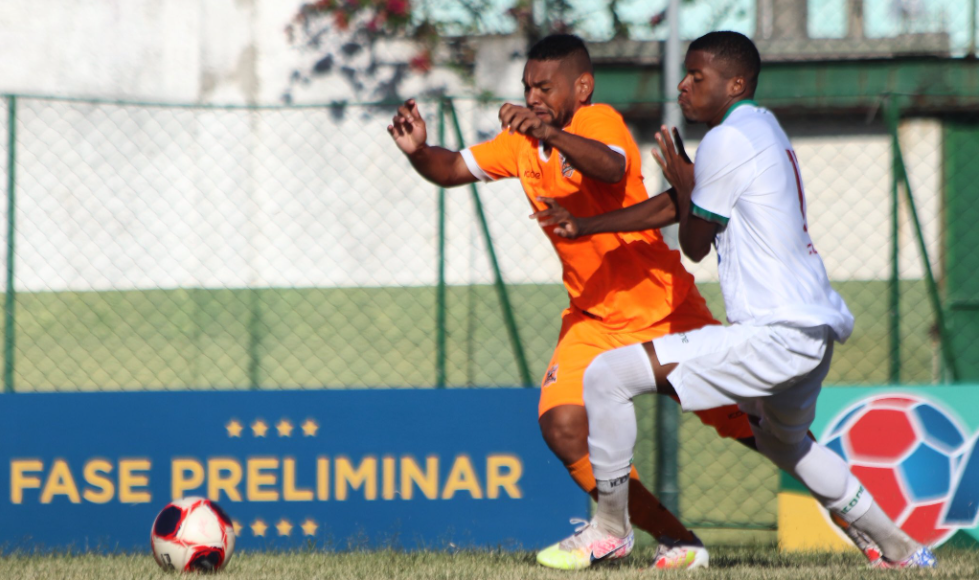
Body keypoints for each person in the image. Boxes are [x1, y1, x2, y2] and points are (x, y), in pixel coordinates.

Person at [535, 31, 937, 570]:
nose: (682, 86)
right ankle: (901, 550)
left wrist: (683, 181)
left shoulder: (725, 141)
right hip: (812, 331)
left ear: (736, 83)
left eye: (697, 76)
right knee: (786, 445)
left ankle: (610, 529)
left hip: (772, 333)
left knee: (608, 375)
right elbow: (676, 209)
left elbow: (696, 244)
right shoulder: (760, 126)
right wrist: (589, 224)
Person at [387, 33, 756, 570]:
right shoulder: (521, 144)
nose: (533, 96)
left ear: (581, 87)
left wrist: (550, 132)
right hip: (592, 318)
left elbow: (609, 166)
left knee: (757, 427)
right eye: (527, 87)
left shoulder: (597, 120)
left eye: (545, 86)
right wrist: (420, 150)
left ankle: (860, 517)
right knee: (562, 427)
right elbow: (449, 170)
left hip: (665, 312)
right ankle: (674, 541)